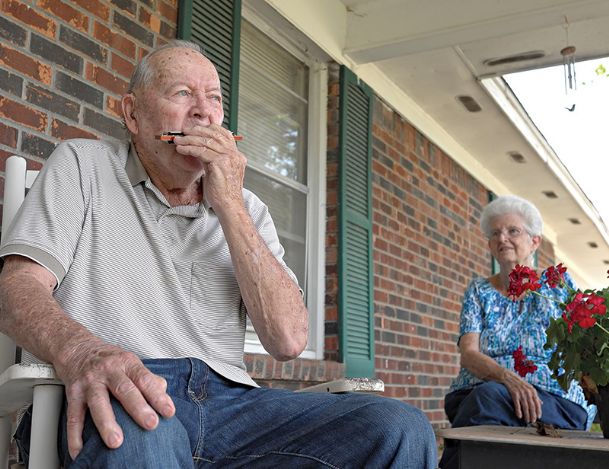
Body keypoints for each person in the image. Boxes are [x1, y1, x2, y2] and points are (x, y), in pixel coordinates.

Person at [0, 40, 436, 468]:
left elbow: (287, 340)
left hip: (234, 407)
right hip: (120, 386)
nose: (203, 112)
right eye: (183, 94)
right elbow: (16, 289)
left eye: (213, 99)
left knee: (398, 426)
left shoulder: (248, 210)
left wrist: (229, 204)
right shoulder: (84, 165)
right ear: (132, 113)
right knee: (141, 426)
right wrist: (81, 353)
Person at [438, 195, 596, 469]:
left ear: (534, 241)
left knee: (481, 408)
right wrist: (509, 380)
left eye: (513, 231)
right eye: (495, 233)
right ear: (489, 245)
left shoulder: (556, 285)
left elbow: (583, 344)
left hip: (551, 400)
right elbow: (469, 354)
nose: (503, 238)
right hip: (478, 391)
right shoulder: (479, 291)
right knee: (485, 399)